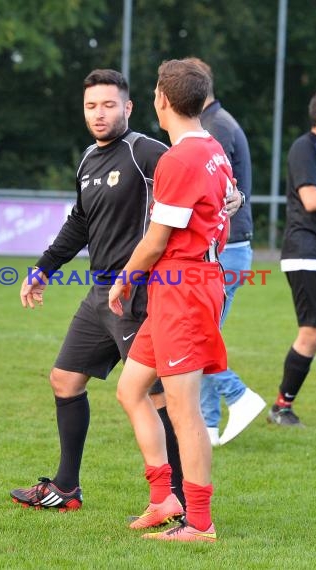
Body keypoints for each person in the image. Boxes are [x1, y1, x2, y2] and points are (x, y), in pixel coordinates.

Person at [9, 68, 243, 511]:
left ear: (130, 107)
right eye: (91, 106)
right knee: (65, 380)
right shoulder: (87, 160)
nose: (99, 114)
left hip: (140, 290)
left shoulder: (147, 152)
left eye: (109, 105)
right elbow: (79, 222)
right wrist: (45, 268)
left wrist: (236, 197)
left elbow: (206, 179)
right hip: (100, 291)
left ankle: (177, 500)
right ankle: (67, 488)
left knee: (159, 396)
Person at [109, 57, 232, 542]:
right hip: (177, 285)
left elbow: (157, 239)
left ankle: (199, 523)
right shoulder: (211, 148)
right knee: (131, 390)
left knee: (184, 412)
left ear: (162, 98)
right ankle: (164, 499)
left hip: (184, 285)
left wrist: (123, 279)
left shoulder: (178, 158)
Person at [197, 59, 266, 446]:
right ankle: (206, 426)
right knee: (205, 334)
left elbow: (213, 196)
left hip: (225, 250)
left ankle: (240, 396)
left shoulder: (214, 128)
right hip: (229, 249)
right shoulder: (217, 123)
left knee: (198, 339)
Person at [267, 85, 316, 427]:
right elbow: (312, 199)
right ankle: (280, 407)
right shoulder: (305, 148)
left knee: (315, 330)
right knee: (312, 331)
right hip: (307, 252)